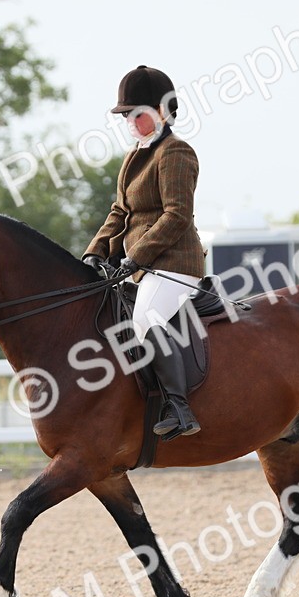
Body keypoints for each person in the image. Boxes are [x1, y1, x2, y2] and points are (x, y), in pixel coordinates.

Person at [83, 65, 204, 439]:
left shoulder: (176, 152)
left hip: (175, 263)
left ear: (163, 112)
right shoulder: (134, 156)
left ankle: (180, 409)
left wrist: (137, 255)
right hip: (142, 266)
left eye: (138, 114)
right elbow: (120, 212)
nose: (131, 122)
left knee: (146, 319)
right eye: (127, 116)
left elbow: (177, 215)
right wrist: (95, 252)